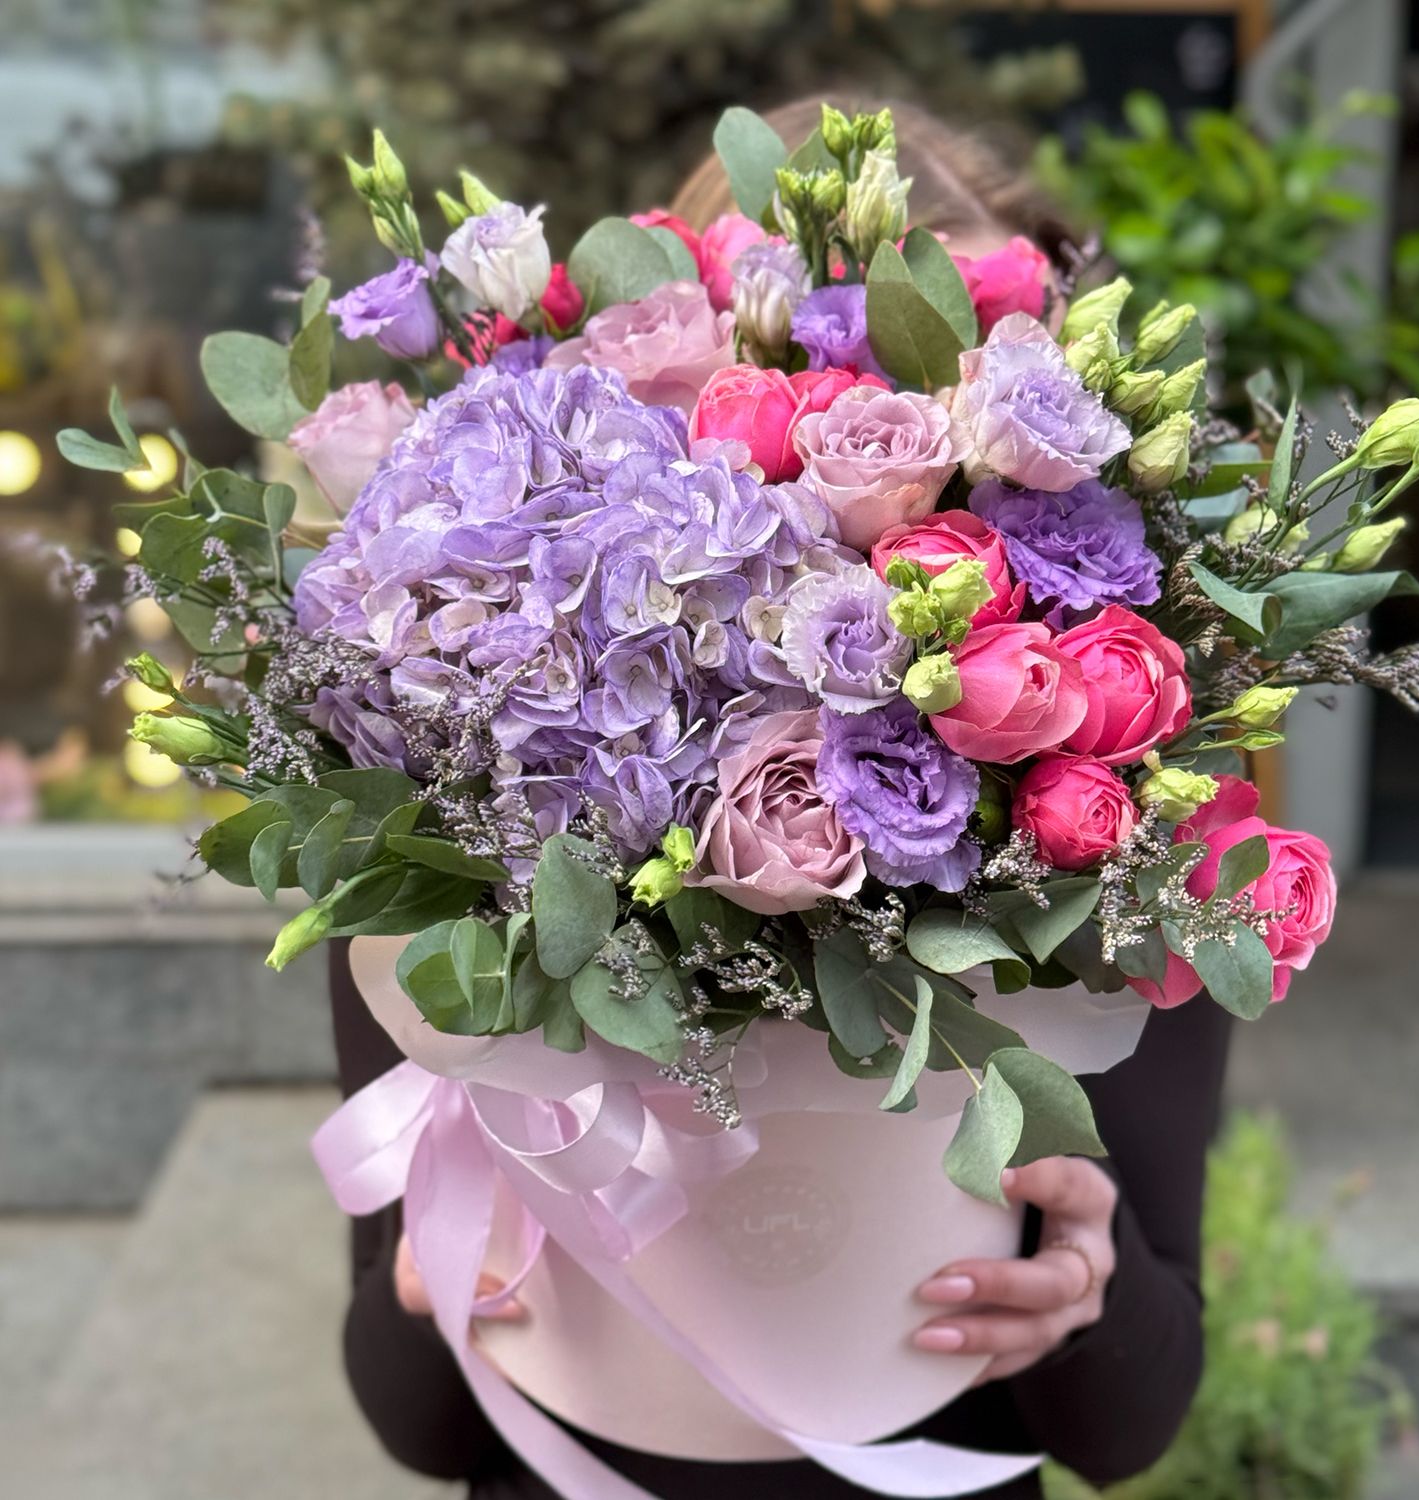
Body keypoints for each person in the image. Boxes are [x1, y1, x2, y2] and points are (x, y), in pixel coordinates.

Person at [330, 97, 1235, 1500]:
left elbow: (1133, 1427)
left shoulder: (1120, 831)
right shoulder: (452, 805)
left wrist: (1086, 1289)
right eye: (840, 386)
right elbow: (418, 1424)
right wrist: (441, 1261)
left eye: (946, 410)